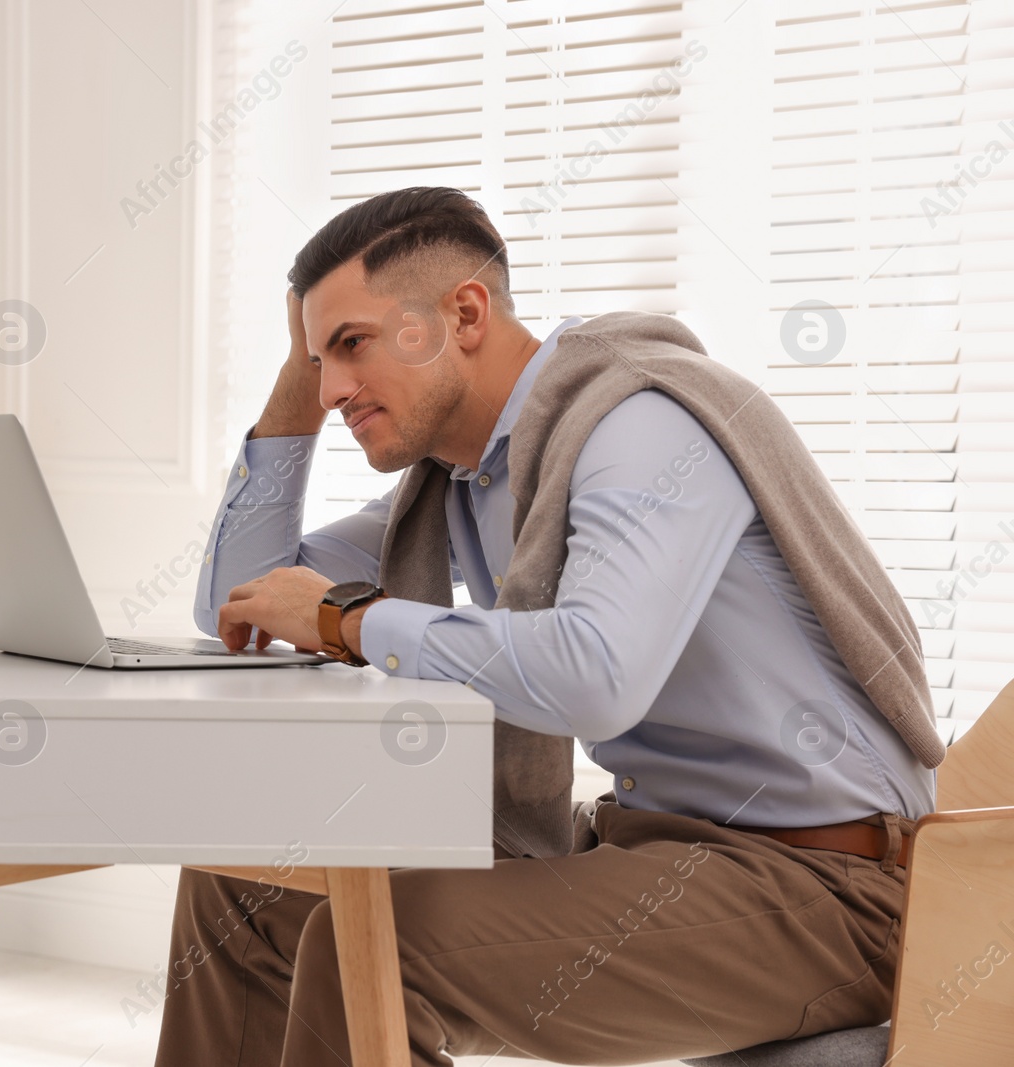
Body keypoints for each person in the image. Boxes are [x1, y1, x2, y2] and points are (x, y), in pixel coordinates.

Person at [153, 186, 940, 1066]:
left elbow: (597, 675)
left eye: (353, 346)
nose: (334, 389)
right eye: (318, 359)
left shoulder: (639, 427)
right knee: (243, 881)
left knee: (369, 941)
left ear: (464, 312)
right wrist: (300, 366)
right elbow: (241, 602)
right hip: (648, 844)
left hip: (828, 889)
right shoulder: (464, 482)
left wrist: (348, 619)